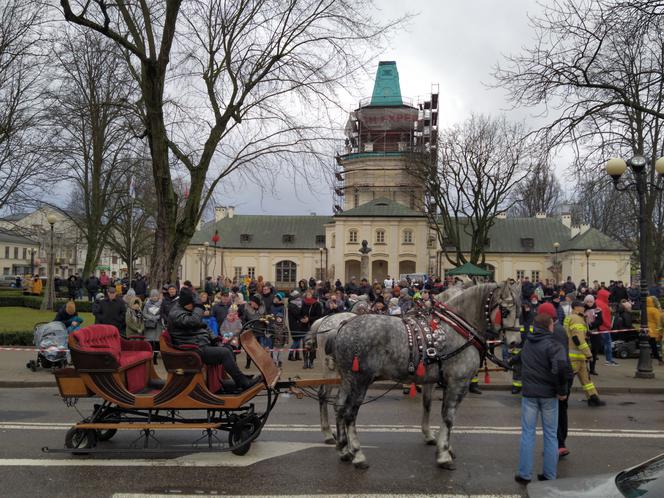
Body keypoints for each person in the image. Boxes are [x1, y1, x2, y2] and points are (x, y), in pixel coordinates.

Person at [168, 288, 260, 391]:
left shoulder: (186, 310)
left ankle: (233, 379)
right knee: (224, 353)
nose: (194, 306)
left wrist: (215, 339)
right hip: (191, 349)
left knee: (228, 348)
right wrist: (199, 307)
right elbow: (193, 322)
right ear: (187, 303)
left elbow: (203, 325)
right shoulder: (176, 313)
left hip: (198, 343)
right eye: (193, 304)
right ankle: (243, 382)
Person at [515, 313, 568, 484]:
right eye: (552, 324)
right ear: (549, 326)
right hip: (549, 396)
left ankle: (524, 474)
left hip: (529, 394)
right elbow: (560, 369)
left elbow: (519, 359)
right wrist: (562, 391)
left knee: (527, 434)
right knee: (551, 435)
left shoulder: (528, 343)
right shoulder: (554, 345)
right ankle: (549, 474)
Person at [538, 302, 573, 458]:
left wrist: (562, 389)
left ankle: (559, 445)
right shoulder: (554, 329)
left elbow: (560, 363)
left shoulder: (556, 331)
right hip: (559, 376)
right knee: (558, 411)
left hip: (560, 377)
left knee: (557, 412)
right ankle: (558, 444)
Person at [565, 301, 605, 407]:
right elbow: (578, 339)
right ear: (576, 307)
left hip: (577, 356)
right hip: (576, 355)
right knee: (568, 381)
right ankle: (562, 400)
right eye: (582, 307)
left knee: (586, 380)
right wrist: (589, 354)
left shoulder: (571, 317)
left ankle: (593, 398)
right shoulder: (576, 319)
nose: (584, 308)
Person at [299, 289, 323, 369]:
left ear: (313, 295)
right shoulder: (304, 303)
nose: (308, 295)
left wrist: (309, 319)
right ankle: (305, 362)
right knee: (304, 345)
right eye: (307, 294)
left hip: (313, 327)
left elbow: (319, 316)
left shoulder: (317, 304)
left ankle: (311, 361)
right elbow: (301, 313)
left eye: (309, 294)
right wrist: (302, 319)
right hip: (304, 327)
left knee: (312, 345)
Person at [595, 289, 617, 366]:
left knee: (597, 344)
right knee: (608, 344)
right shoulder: (603, 305)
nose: (608, 298)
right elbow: (604, 317)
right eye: (607, 296)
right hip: (604, 327)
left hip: (598, 327)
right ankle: (609, 360)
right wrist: (609, 325)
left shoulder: (597, 302)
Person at [143, 289, 163, 363]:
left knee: (157, 341)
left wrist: (156, 317)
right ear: (150, 296)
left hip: (158, 325)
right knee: (150, 341)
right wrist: (151, 318)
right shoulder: (147, 304)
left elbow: (162, 313)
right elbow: (144, 313)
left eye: (156, 296)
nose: (154, 297)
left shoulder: (161, 304)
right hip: (149, 325)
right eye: (153, 296)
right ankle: (149, 356)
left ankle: (155, 357)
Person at [646, 296, 664, 365]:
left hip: (646, 330)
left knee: (649, 345)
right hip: (653, 330)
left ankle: (650, 358)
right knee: (655, 346)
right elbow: (659, 321)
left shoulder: (644, 309)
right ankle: (659, 359)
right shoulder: (654, 310)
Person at [287, 290, 304, 362]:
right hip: (294, 325)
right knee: (296, 341)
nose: (299, 300)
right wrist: (301, 309)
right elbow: (297, 314)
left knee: (298, 340)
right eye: (297, 298)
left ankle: (297, 355)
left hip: (297, 324)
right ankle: (290, 355)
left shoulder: (295, 305)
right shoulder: (291, 306)